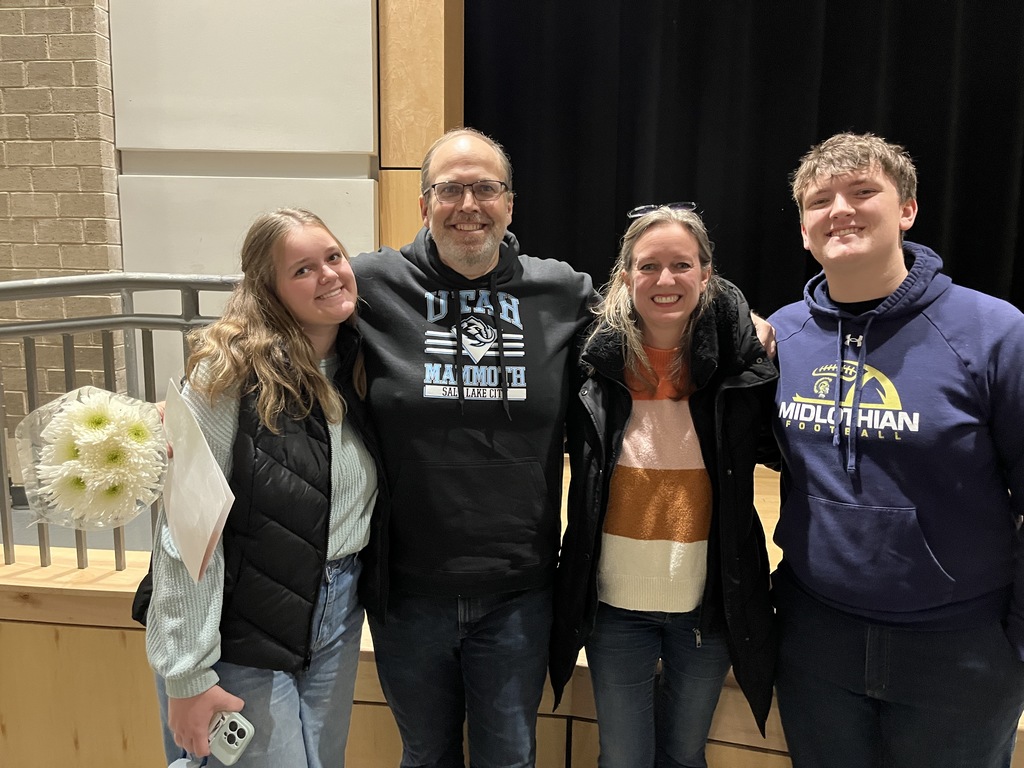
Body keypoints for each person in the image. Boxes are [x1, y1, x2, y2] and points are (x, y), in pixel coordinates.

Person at [768, 132, 1024, 767]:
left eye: (862, 192)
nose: (840, 210)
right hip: (815, 643)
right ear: (803, 230)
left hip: (958, 650)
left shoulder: (994, 332)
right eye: (820, 200)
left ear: (907, 209)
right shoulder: (780, 337)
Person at [352, 127, 595, 768]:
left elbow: (659, 316)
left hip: (519, 589)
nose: (468, 205)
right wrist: (202, 393)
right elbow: (274, 312)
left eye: (486, 189)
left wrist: (741, 319)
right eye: (450, 190)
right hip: (407, 591)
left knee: (509, 759)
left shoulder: (563, 291)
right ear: (424, 203)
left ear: (509, 204)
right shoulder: (372, 285)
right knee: (425, 755)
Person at [143, 208, 382, 767]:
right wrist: (187, 674)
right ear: (267, 289)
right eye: (302, 270)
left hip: (336, 609)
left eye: (333, 257)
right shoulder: (227, 373)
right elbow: (186, 529)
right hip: (243, 619)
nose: (328, 275)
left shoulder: (360, 361)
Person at [550, 205, 778, 767]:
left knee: (683, 755)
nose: (665, 279)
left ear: (706, 274)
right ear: (626, 275)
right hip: (613, 606)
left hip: (706, 605)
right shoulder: (590, 361)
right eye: (648, 266)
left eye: (682, 264)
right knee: (622, 759)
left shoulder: (741, 362)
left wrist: (752, 321)